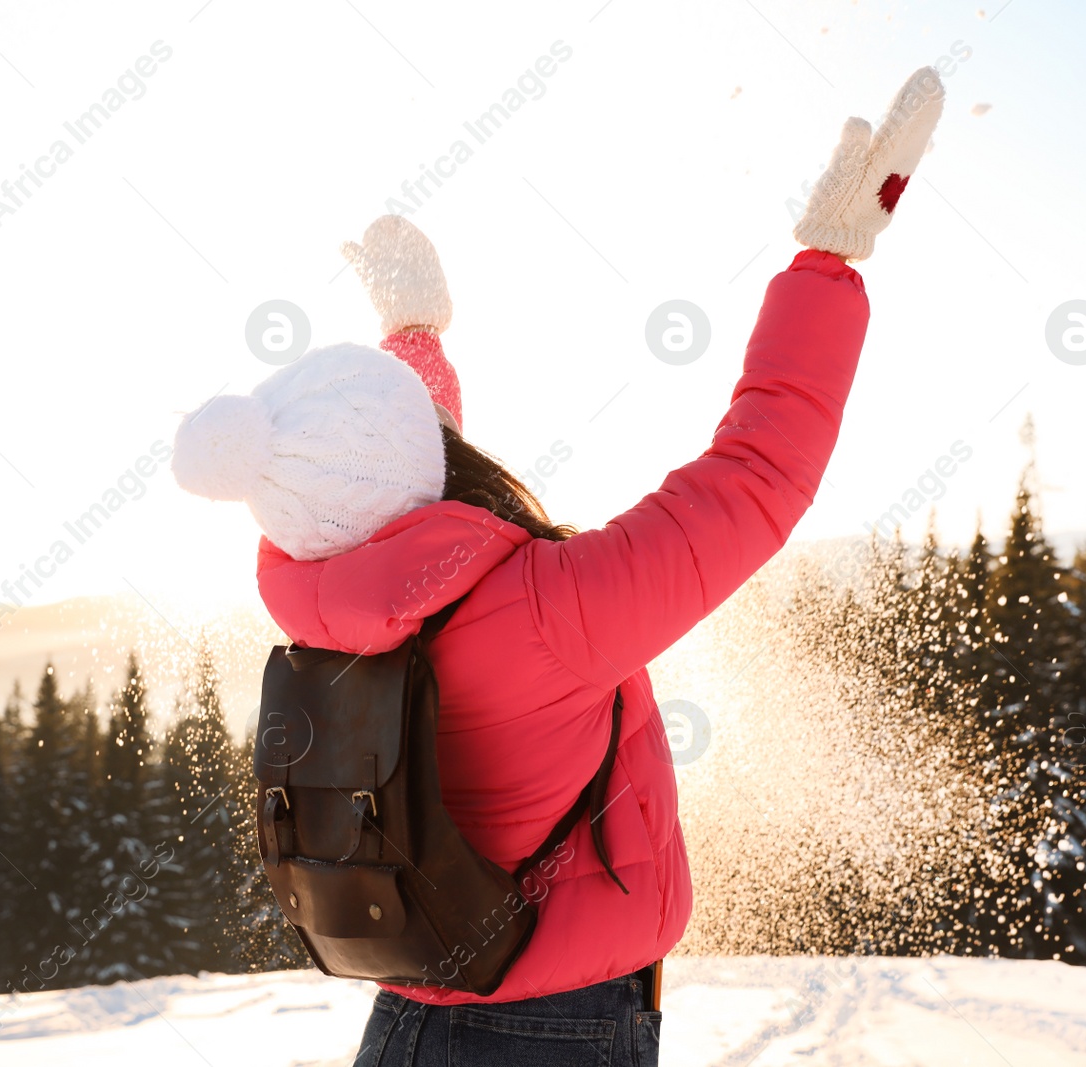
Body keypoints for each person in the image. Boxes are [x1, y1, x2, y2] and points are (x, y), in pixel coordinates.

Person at [172, 65, 944, 1067]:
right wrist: (826, 262)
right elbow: (757, 470)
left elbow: (388, 479)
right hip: (550, 1027)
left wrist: (414, 340)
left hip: (408, 1019)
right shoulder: (549, 613)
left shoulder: (326, 607)